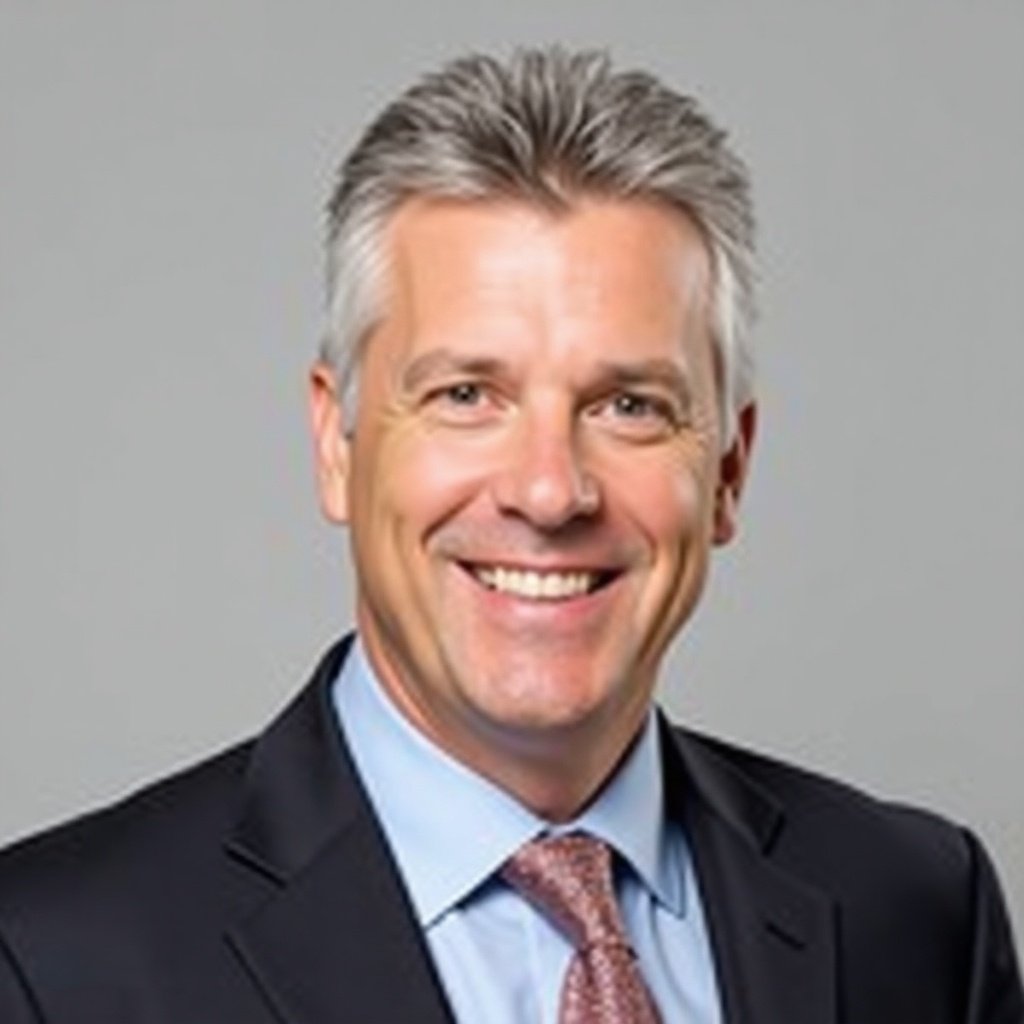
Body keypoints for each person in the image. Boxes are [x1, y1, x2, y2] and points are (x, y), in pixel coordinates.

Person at [0, 46, 1019, 1024]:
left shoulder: (921, 913)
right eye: (465, 393)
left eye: (629, 405)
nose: (548, 489)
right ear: (338, 444)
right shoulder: (54, 961)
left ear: (728, 468)